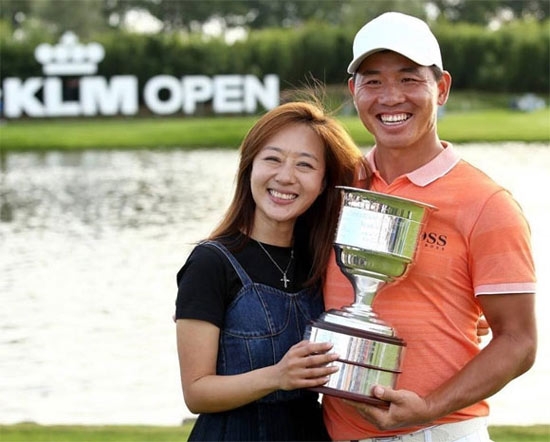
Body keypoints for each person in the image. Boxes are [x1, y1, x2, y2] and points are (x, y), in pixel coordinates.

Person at [322, 12, 537, 442]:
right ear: (353, 92)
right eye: (373, 81)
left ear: (441, 89)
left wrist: (430, 406)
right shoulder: (334, 188)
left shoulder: (488, 204)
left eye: (409, 79)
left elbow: (519, 341)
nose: (391, 97)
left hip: (436, 433)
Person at [174, 100, 367, 441]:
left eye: (305, 165)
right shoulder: (211, 263)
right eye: (273, 159)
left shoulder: (323, 263)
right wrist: (278, 376)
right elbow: (197, 392)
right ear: (249, 167)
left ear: (324, 182)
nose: (286, 177)